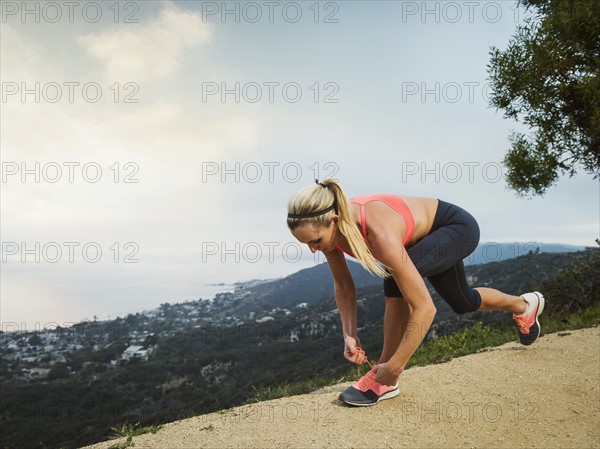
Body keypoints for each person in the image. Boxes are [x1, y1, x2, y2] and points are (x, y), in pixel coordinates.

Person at [287, 179, 545, 407]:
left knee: (393, 281)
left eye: (315, 241)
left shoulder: (377, 231)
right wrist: (349, 334)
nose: (313, 249)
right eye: (307, 243)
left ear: (333, 220)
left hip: (456, 229)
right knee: (463, 301)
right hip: (422, 239)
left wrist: (395, 366)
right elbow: (344, 286)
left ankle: (383, 380)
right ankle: (524, 306)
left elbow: (425, 308)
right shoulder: (329, 235)